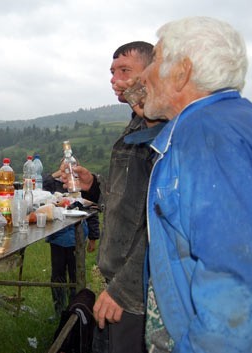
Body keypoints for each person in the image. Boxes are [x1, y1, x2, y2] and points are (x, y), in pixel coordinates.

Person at [138, 16, 252, 352]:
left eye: (156, 59)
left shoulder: (206, 136)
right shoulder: (241, 117)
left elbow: (242, 293)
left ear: (181, 72)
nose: (146, 74)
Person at [63, 41, 159, 353]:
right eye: (112, 71)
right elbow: (124, 198)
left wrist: (123, 290)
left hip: (139, 285)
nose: (114, 77)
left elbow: (160, 222)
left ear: (151, 73)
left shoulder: (162, 132)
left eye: (124, 70)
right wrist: (92, 184)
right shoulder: (136, 124)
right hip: (116, 274)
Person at [43, 170, 98, 320]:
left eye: (71, 170)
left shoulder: (82, 189)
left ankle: (74, 311)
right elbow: (44, 183)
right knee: (58, 276)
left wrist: (93, 237)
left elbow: (92, 213)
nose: (67, 173)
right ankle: (59, 310)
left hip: (76, 240)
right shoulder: (54, 186)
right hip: (57, 241)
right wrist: (57, 173)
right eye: (64, 169)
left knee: (75, 276)